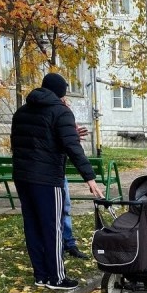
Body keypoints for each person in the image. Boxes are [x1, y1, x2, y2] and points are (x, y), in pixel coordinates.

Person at [10, 73, 103, 290]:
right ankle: (57, 278)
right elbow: (73, 147)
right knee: (53, 227)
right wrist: (89, 178)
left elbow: (19, 144)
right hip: (48, 179)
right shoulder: (61, 112)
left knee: (32, 226)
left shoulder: (21, 112)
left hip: (23, 176)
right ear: (61, 92)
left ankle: (41, 275)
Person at [59, 96, 89, 260]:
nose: (66, 102)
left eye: (66, 100)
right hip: (45, 173)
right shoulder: (48, 112)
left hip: (59, 170)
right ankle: (56, 246)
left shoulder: (65, 113)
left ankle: (68, 243)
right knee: (53, 210)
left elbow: (66, 142)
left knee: (65, 207)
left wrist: (72, 136)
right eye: (62, 99)